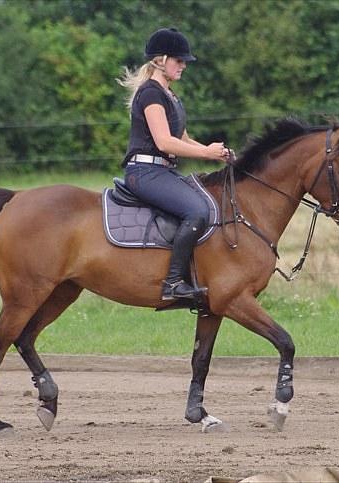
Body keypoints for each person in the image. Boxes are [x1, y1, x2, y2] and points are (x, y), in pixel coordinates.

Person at [118, 28, 231, 302]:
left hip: (161, 171)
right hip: (144, 172)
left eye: (184, 62)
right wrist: (205, 153)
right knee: (197, 210)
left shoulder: (171, 96)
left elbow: (182, 138)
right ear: (160, 60)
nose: (183, 66)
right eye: (178, 61)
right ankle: (173, 282)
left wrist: (215, 153)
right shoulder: (151, 94)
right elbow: (165, 142)